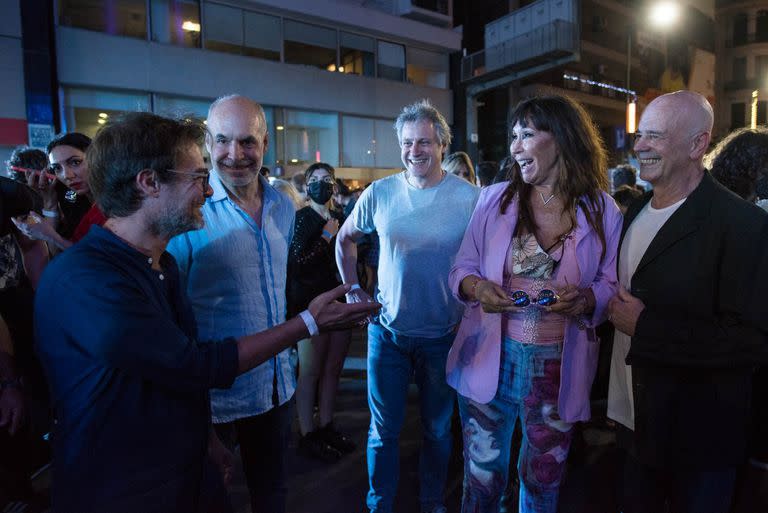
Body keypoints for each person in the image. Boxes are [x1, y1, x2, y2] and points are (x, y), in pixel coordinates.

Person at [34, 111, 378, 513]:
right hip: (121, 489)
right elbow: (193, 364)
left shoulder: (162, 264)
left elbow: (183, 370)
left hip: (182, 472)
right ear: (149, 182)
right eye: (198, 177)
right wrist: (308, 323)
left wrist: (205, 440)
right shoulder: (88, 279)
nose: (210, 190)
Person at [446, 95, 621, 512]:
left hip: (557, 368)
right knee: (482, 482)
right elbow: (460, 269)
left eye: (527, 134)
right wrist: (477, 289)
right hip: (490, 356)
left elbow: (611, 283)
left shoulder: (601, 208)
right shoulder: (494, 199)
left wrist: (585, 300)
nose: (515, 146)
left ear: (561, 138)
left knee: (543, 481)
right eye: (513, 136)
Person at [606, 91, 768, 513]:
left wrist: (647, 328)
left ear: (698, 144)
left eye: (654, 136)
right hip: (634, 426)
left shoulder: (744, 225)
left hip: (699, 442)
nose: (639, 145)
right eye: (640, 134)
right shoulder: (636, 209)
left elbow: (751, 340)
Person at [336, 99, 479, 513]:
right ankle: (379, 505)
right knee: (383, 432)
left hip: (442, 337)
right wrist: (351, 290)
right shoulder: (380, 193)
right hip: (388, 335)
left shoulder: (470, 198)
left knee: (437, 431)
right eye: (407, 142)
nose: (414, 150)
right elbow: (345, 240)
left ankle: (432, 502)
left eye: (424, 142)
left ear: (441, 144)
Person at [166, 94, 296, 513]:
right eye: (222, 141)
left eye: (247, 142)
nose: (234, 155)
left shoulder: (283, 205)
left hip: (277, 390)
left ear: (265, 144)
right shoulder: (189, 212)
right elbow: (170, 315)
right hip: (214, 401)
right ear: (207, 143)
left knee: (273, 496)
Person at [289, 162, 354, 462]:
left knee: (332, 370)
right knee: (310, 371)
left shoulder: (340, 217)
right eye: (315, 179)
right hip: (311, 304)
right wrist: (327, 237)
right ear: (306, 185)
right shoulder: (302, 219)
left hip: (339, 301)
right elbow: (298, 262)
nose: (321, 184)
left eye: (327, 179)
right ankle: (307, 432)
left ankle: (326, 425)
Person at [12, 133, 106, 251]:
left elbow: (98, 258)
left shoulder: (119, 202)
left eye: (75, 162)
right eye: (57, 168)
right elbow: (57, 257)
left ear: (96, 157)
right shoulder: (73, 199)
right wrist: (50, 205)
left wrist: (51, 236)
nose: (66, 175)